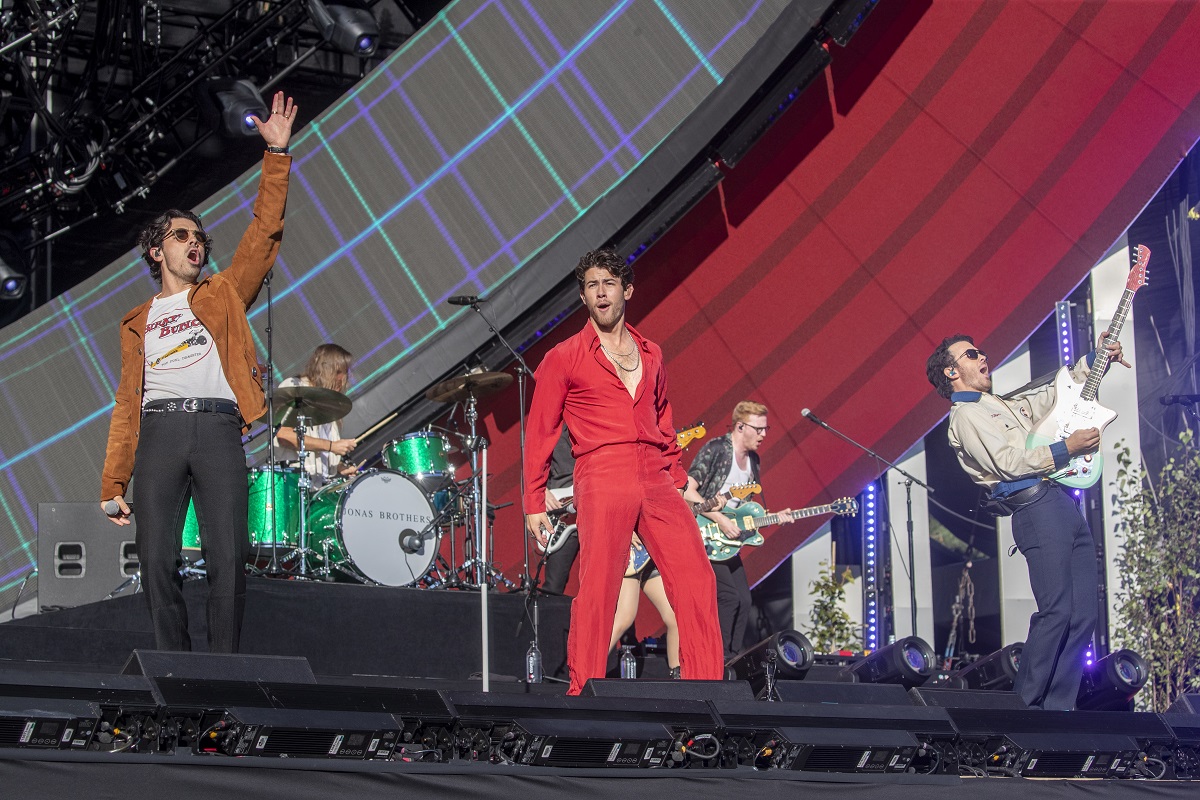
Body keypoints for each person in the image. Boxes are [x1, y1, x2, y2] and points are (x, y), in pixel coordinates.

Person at [100, 91, 298, 653]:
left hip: (215, 431)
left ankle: (223, 669)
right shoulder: (138, 321)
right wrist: (113, 481)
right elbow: (124, 402)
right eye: (182, 236)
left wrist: (277, 158)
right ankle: (174, 667)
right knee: (156, 557)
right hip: (159, 435)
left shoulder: (225, 292)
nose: (195, 244)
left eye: (199, 238)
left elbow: (263, 233)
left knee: (228, 557)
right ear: (157, 251)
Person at [523, 248, 724, 694]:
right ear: (583, 297)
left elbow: (664, 419)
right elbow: (540, 431)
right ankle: (583, 692)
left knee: (696, 575)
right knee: (600, 587)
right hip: (602, 471)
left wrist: (675, 477)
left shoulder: (651, 352)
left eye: (608, 283)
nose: (600, 292)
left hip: (655, 473)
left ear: (626, 290)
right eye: (591, 285)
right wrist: (534, 499)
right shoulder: (564, 356)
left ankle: (707, 688)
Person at [926, 333, 1129, 710]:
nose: (983, 355)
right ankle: (1022, 710)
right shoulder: (966, 416)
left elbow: (1052, 395)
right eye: (972, 354)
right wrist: (1066, 448)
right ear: (951, 371)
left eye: (981, 350)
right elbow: (1007, 462)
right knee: (1056, 611)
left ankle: (1058, 711)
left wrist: (1095, 358)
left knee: (1083, 615)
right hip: (1035, 508)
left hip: (1062, 502)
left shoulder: (999, 404)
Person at [687, 400, 786, 660]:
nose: (764, 435)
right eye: (759, 429)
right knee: (729, 597)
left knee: (744, 600)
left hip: (728, 541)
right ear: (740, 427)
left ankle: (730, 661)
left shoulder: (754, 461)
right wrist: (720, 519)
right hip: (704, 533)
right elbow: (687, 490)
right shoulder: (717, 449)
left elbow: (745, 508)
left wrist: (773, 517)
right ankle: (713, 660)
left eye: (767, 429)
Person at [274, 343, 357, 485]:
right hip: (294, 486)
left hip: (320, 488)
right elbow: (283, 435)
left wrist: (339, 467)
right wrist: (331, 446)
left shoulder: (328, 403)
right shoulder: (295, 388)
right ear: (328, 370)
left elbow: (319, 452)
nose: (344, 379)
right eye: (340, 372)